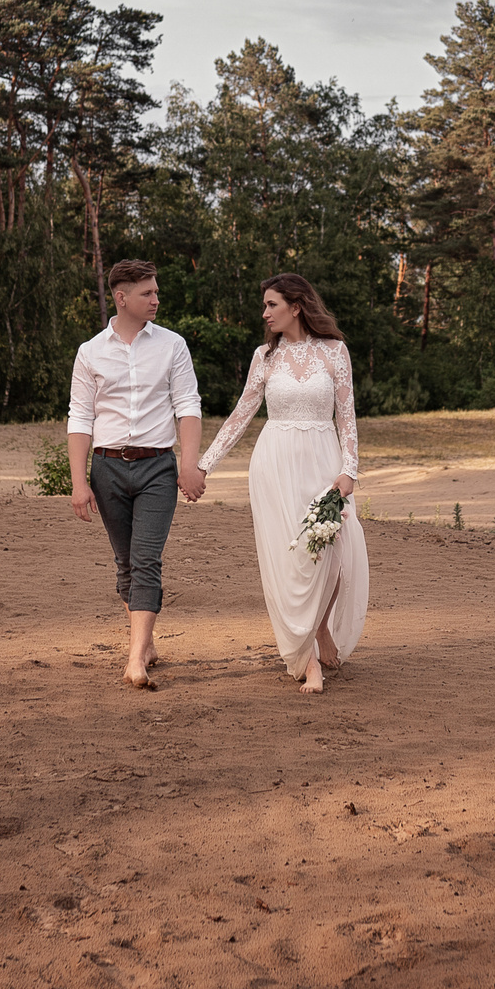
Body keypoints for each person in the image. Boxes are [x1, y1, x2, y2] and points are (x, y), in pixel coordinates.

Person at [199, 272, 367, 694]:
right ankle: (308, 659)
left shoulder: (334, 351)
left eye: (272, 305)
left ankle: (321, 628)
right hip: (274, 464)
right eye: (265, 305)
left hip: (324, 460)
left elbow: (346, 414)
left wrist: (350, 470)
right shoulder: (264, 357)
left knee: (337, 555)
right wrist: (204, 465)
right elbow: (242, 414)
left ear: (297, 306)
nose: (265, 313)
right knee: (289, 561)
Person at [66, 259, 205, 690]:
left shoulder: (172, 345)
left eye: (156, 291)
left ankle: (134, 660)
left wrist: (188, 463)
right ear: (121, 297)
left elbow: (188, 405)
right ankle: (145, 643)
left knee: (146, 560)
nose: (156, 299)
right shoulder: (90, 351)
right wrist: (78, 482)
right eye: (148, 293)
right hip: (107, 467)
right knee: (125, 563)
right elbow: (80, 418)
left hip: (157, 469)